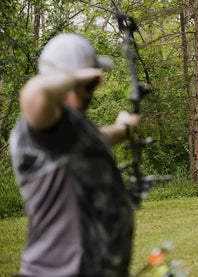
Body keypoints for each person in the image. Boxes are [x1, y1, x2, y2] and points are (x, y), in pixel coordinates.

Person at [9, 33, 140, 276]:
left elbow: (95, 140)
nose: (94, 89)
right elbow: (34, 93)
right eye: (91, 82)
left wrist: (124, 128)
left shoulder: (71, 127)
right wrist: (75, 75)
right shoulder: (36, 129)